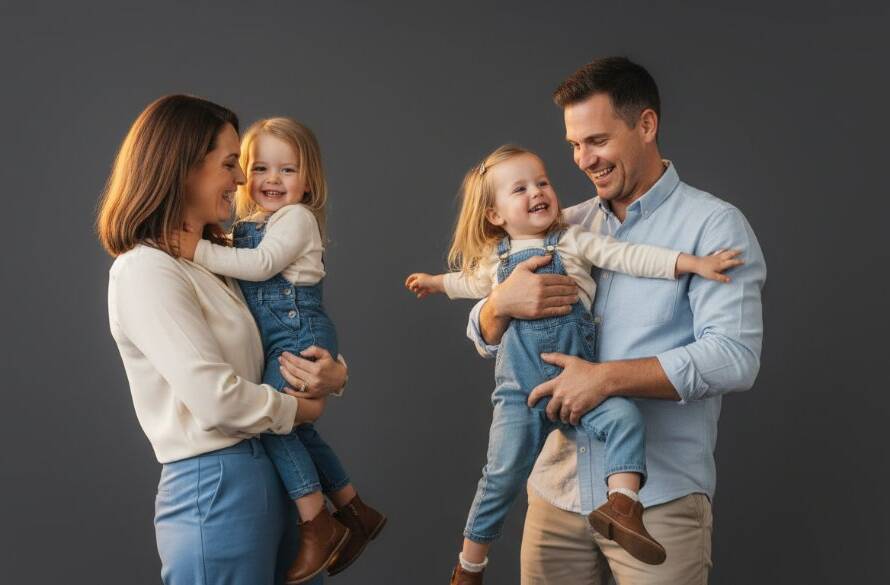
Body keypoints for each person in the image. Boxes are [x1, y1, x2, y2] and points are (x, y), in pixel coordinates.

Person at [465, 58, 766, 584]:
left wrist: (604, 378)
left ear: (645, 126)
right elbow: (489, 337)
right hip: (555, 496)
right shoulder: (563, 224)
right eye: (575, 145)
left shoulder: (713, 226)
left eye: (597, 140)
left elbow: (734, 358)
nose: (584, 160)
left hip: (659, 503)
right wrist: (498, 306)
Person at [405, 145, 741, 584]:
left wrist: (690, 262)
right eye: (520, 189)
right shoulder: (497, 261)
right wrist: (462, 292)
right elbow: (468, 286)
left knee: (624, 418)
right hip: (520, 393)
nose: (538, 192)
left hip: (579, 384)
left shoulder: (572, 237)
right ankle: (470, 563)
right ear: (495, 215)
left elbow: (631, 256)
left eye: (542, 182)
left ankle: (622, 505)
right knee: (501, 474)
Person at [97, 95, 348, 585]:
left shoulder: (219, 265)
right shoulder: (146, 270)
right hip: (217, 482)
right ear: (183, 168)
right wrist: (302, 410)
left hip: (277, 472)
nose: (242, 180)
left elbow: (285, 332)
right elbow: (216, 399)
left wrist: (334, 374)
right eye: (231, 163)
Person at [178, 117, 385, 584]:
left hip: (297, 330)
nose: (272, 180)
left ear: (309, 180)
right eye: (260, 168)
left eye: (287, 170)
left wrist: (197, 251)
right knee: (298, 429)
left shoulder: (297, 218)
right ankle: (354, 509)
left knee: (275, 423)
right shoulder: (253, 224)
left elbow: (262, 264)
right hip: (284, 335)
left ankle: (317, 521)